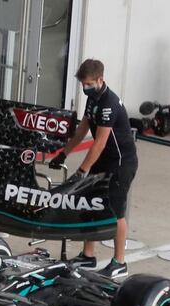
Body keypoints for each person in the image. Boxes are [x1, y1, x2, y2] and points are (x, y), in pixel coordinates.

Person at [49, 59, 138, 279]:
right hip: (103, 160)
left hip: (120, 162)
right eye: (82, 84)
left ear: (100, 79)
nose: (84, 87)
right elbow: (81, 132)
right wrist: (63, 153)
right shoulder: (93, 99)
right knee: (91, 203)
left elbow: (99, 142)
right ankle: (88, 256)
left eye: (88, 83)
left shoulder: (109, 102)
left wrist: (82, 171)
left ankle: (119, 262)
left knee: (116, 212)